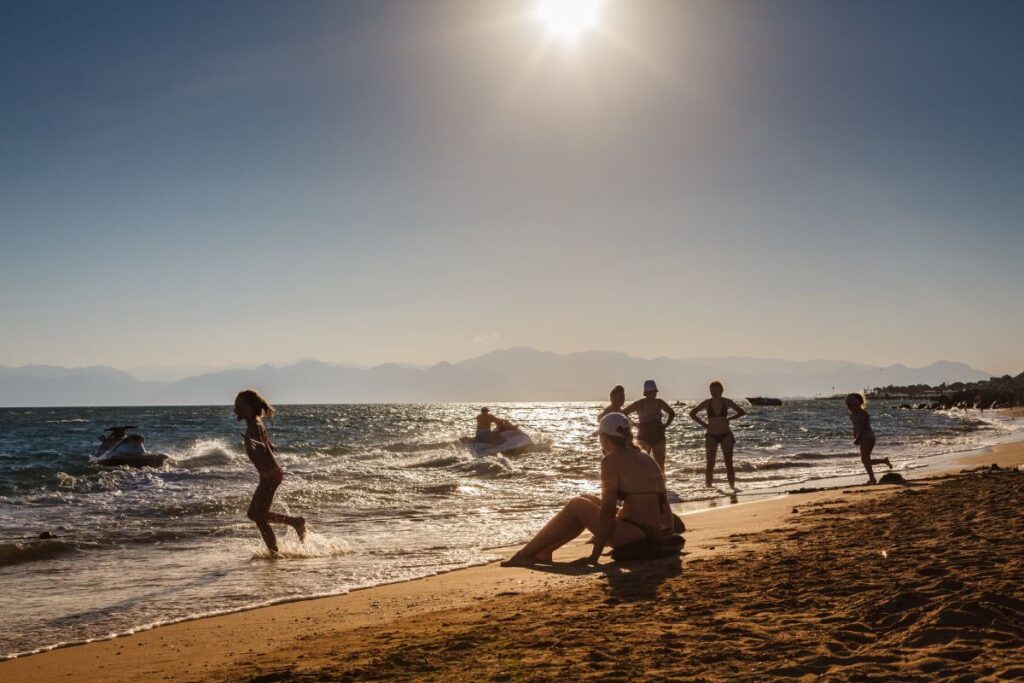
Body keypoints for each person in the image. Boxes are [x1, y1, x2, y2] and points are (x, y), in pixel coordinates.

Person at [502, 413, 672, 567]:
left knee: (577, 504)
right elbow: (664, 505)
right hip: (651, 531)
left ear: (604, 438)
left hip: (633, 535)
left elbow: (607, 510)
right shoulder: (647, 458)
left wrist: (594, 556)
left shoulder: (611, 460)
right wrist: (667, 537)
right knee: (585, 498)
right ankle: (546, 551)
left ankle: (524, 555)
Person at [234, 389, 306, 555]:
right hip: (268, 476)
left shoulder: (254, 425)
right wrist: (266, 444)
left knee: (258, 516)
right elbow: (264, 443)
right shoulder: (256, 424)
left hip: (271, 476)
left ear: (249, 408)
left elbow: (261, 444)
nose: (234, 410)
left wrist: (254, 443)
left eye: (238, 406)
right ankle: (294, 522)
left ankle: (275, 551)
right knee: (255, 514)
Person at [689, 381, 746, 490]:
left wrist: (729, 418)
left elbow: (741, 412)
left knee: (728, 462)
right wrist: (704, 424)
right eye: (711, 390)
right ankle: (709, 489)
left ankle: (732, 488)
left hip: (726, 435)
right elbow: (692, 413)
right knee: (710, 463)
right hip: (711, 435)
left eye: (715, 390)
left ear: (721, 390)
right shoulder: (707, 403)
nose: (713, 392)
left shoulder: (726, 402)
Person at [622, 380, 676, 471]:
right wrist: (634, 424)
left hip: (658, 435)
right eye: (651, 392)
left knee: (660, 465)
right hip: (644, 436)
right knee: (643, 465)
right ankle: (644, 484)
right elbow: (624, 413)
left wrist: (666, 425)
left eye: (654, 392)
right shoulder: (639, 404)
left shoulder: (659, 402)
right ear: (646, 393)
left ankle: (660, 484)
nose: (653, 394)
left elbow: (672, 413)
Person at [846, 393, 892, 484]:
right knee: (865, 460)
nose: (849, 408)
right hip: (861, 438)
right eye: (848, 406)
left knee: (865, 459)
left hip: (868, 437)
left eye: (851, 406)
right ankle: (883, 461)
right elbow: (855, 427)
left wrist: (858, 439)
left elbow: (863, 427)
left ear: (858, 404)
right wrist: (855, 435)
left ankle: (872, 479)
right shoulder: (852, 416)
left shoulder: (863, 414)